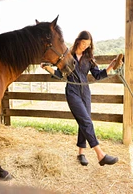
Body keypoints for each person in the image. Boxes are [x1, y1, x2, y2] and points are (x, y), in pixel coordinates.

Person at [41, 30, 122, 166]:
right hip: (72, 92)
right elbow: (60, 75)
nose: (85, 46)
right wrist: (47, 68)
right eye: (84, 43)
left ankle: (81, 153)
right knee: (86, 121)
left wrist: (110, 67)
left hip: (85, 92)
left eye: (88, 44)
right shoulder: (68, 55)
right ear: (78, 40)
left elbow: (97, 75)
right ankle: (100, 155)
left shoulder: (89, 57)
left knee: (84, 121)